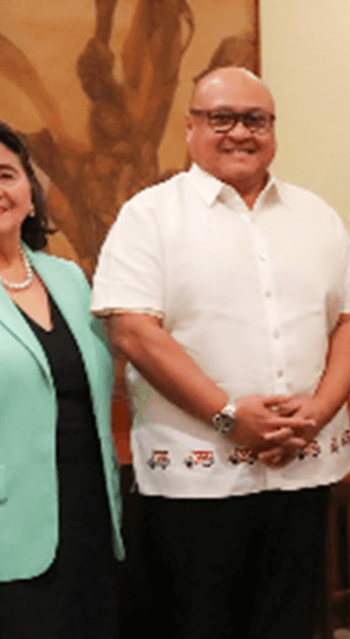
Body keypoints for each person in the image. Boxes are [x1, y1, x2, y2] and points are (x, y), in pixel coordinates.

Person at [90, 67, 350, 639]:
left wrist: (319, 410)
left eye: (256, 119)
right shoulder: (150, 215)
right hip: (196, 476)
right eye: (222, 118)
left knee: (289, 620)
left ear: (273, 129)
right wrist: (229, 414)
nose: (240, 132)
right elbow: (132, 330)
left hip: (302, 464)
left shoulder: (314, 214)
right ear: (191, 128)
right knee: (198, 624)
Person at [0, 120, 124, 637]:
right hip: (11, 529)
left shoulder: (69, 278)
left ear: (30, 193)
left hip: (90, 515)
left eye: (5, 174)